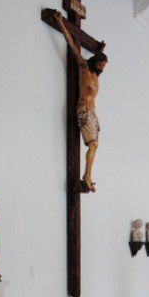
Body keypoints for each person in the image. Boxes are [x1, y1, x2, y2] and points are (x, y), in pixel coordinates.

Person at [54, 10, 107, 192]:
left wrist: (100, 49)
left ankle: (88, 175)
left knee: (95, 145)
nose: (103, 69)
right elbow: (71, 44)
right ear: (95, 62)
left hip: (92, 113)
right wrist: (61, 23)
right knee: (93, 144)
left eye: (104, 66)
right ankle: (87, 176)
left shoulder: (96, 76)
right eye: (101, 65)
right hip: (83, 110)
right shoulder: (84, 67)